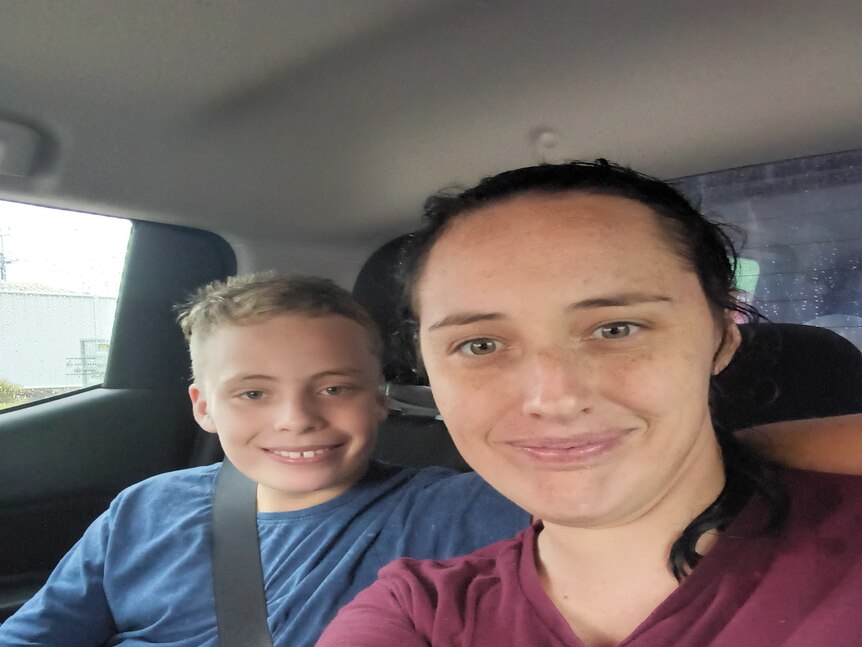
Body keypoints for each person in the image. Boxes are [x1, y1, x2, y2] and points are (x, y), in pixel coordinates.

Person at [317, 160, 862, 646]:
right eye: (479, 344)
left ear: (721, 339)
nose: (553, 397)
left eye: (616, 328)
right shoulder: (418, 615)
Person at [0, 273, 529, 646]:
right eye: (252, 394)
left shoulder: (469, 511)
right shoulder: (145, 509)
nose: (296, 419)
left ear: (379, 398)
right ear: (204, 408)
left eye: (335, 388)